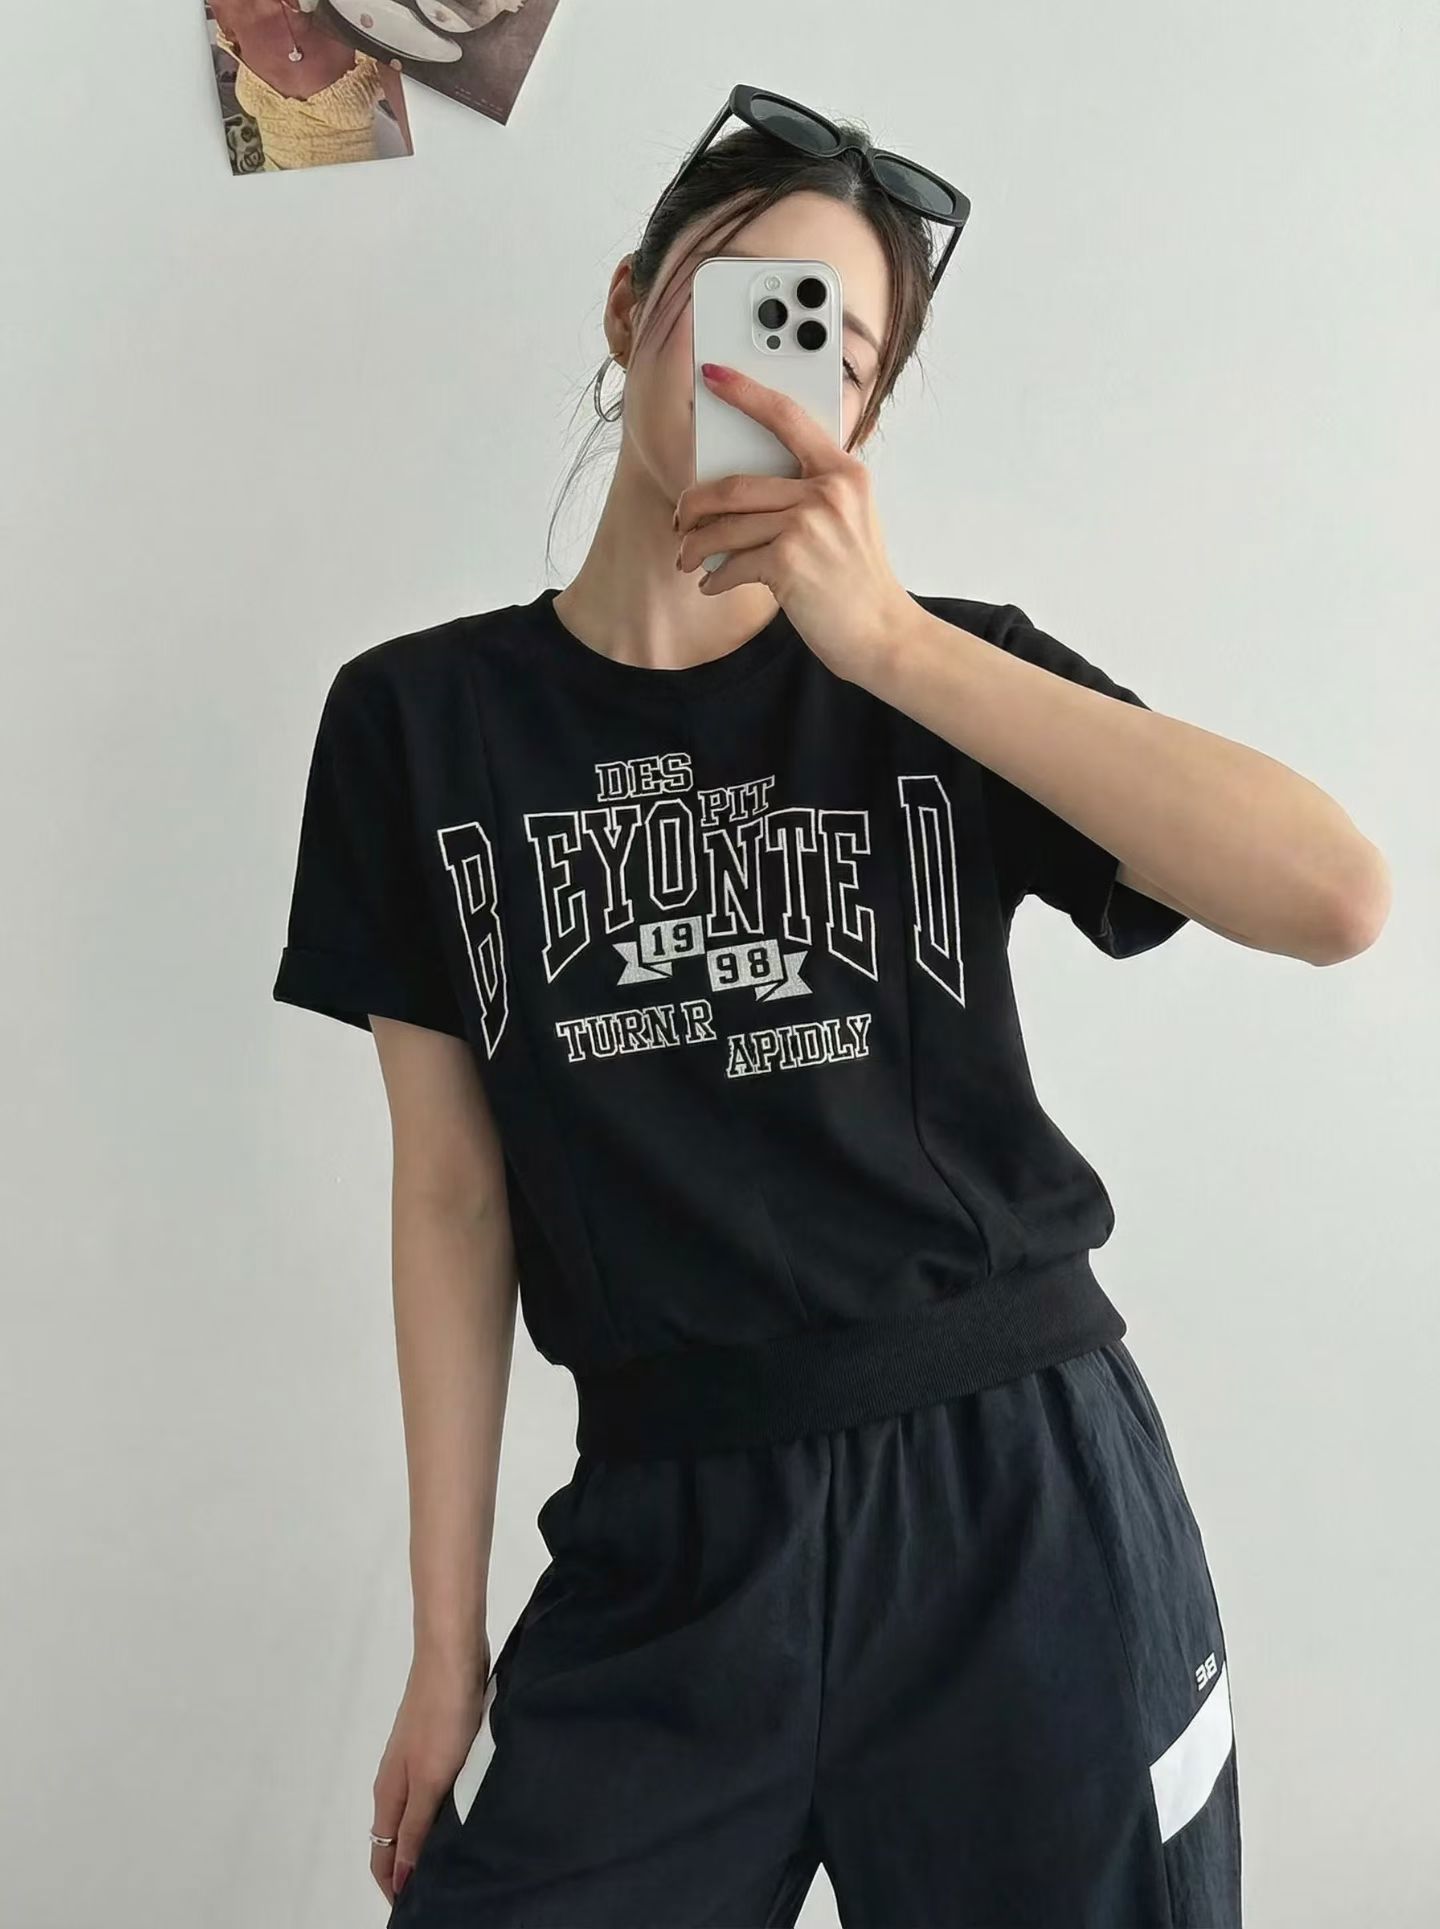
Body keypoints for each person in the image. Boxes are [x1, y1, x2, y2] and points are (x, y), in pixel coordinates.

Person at [272, 85, 1389, 1929]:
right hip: (664, 1543)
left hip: (1019, 1515)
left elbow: (1335, 893)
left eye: (834, 355)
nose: (770, 374)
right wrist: (446, 1646)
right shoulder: (417, 723)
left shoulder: (943, 678)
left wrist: (886, 644)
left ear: (859, 419)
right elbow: (454, 1199)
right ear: (631, 303)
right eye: (740, 300)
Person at [209, 0, 410, 171]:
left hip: (357, 191)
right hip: (275, 191)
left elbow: (417, 133)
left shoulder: (362, 11)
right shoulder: (227, 6)